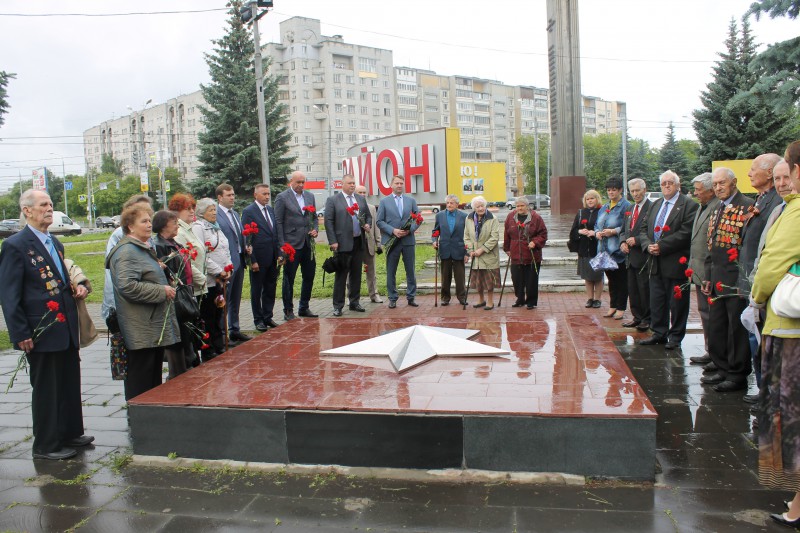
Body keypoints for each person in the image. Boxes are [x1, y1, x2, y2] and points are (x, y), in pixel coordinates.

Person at [0, 190, 92, 460]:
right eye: (43, 205)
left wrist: (78, 288)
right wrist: (19, 333)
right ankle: (46, 444)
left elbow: (59, 279)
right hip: (40, 329)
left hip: (64, 327)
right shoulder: (16, 245)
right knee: (47, 389)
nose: (50, 209)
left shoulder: (54, 242)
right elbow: (9, 294)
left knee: (68, 382)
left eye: (51, 204)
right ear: (27, 210)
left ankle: (70, 432)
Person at [752, 140, 800, 527]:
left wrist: (757, 295)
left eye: (789, 172)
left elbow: (772, 263)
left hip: (790, 331)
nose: (785, 181)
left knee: (790, 417)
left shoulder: (796, 212)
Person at [107, 203, 179, 402]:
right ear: (130, 226)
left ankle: (150, 416)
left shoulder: (141, 248)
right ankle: (139, 420)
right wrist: (161, 290)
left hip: (150, 324)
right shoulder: (127, 252)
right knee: (141, 379)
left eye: (150, 220)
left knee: (152, 377)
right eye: (144, 221)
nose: (149, 225)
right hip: (140, 326)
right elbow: (127, 286)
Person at [700, 167, 754, 392]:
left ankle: (737, 373)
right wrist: (708, 276)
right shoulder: (717, 207)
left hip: (735, 280)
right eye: (716, 184)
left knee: (736, 330)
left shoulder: (747, 206)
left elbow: (747, 248)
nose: (718, 187)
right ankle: (722, 368)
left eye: (722, 183)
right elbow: (712, 247)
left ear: (734, 182)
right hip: (718, 277)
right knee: (718, 327)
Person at [737, 154, 784, 396]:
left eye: (754, 169)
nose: (749, 174)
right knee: (754, 338)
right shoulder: (762, 198)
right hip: (751, 277)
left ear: (768, 173)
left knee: (761, 339)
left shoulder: (777, 201)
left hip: (763, 282)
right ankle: (763, 388)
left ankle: (766, 391)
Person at [639, 170, 698, 349]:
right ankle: (659, 332)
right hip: (654, 262)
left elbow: (687, 232)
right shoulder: (655, 204)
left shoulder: (688, 205)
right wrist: (647, 244)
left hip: (674, 262)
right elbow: (643, 228)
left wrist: (662, 246)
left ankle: (676, 337)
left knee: (677, 303)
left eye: (670, 183)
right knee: (657, 300)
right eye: (663, 183)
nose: (666, 186)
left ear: (678, 185)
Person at [152, 210, 196, 374]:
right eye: (174, 223)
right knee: (179, 334)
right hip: (174, 296)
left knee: (186, 331)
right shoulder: (160, 245)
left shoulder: (174, 242)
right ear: (164, 226)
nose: (177, 226)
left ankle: (188, 362)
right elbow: (164, 272)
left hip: (184, 292)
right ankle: (179, 370)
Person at [274, 170, 319, 320]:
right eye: (298, 182)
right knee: (289, 278)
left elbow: (314, 218)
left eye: (302, 182)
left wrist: (315, 229)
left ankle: (304, 307)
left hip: (307, 243)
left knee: (309, 275)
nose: (301, 185)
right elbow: (278, 222)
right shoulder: (282, 197)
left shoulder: (309, 196)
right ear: (290, 183)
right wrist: (281, 245)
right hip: (291, 245)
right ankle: (288, 310)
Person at [324, 174, 372, 316]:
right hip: (342, 243)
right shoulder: (333, 200)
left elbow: (367, 215)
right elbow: (328, 221)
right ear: (342, 184)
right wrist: (333, 241)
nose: (352, 185)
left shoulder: (360, 199)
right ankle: (338, 305)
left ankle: (354, 302)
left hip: (358, 241)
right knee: (341, 274)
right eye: (350, 183)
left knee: (356, 274)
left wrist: (367, 223)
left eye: (354, 183)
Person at [101, 194, 153, 321]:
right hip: (124, 303)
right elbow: (115, 272)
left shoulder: (148, 235)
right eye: (142, 210)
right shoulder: (121, 234)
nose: (147, 215)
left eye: (149, 211)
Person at [192, 198, 232, 358]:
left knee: (218, 313)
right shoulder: (199, 227)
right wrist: (217, 272)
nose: (214, 212)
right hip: (208, 280)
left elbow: (224, 248)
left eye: (215, 209)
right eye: (210, 210)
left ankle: (219, 344)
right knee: (208, 315)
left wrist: (228, 267)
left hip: (221, 278)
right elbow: (202, 255)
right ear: (202, 213)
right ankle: (209, 350)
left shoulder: (216, 227)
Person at [687, 172, 720, 367]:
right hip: (699, 269)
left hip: (711, 271)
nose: (695, 193)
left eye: (699, 190)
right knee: (704, 311)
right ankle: (710, 350)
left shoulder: (717, 207)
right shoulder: (703, 206)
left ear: (710, 191)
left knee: (713, 314)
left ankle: (716, 355)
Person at [377, 175, 420, 308]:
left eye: (401, 183)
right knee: (391, 270)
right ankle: (392, 298)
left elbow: (418, 219)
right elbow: (379, 221)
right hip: (392, 241)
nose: (399, 185)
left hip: (408, 240)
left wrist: (410, 230)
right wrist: (393, 230)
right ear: (391, 185)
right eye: (397, 183)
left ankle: (411, 297)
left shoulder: (411, 201)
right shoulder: (384, 202)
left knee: (410, 270)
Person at [242, 184, 281, 331]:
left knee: (270, 288)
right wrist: (252, 260)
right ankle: (258, 319)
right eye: (264, 194)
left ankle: (267, 316)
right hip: (258, 258)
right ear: (255, 195)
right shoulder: (249, 211)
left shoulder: (270, 210)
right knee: (257, 289)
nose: (267, 196)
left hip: (271, 257)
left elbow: (274, 234)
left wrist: (279, 254)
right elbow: (247, 237)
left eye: (268, 194)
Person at [216, 183, 251, 343]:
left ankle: (234, 328)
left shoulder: (235, 214)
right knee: (225, 297)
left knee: (235, 298)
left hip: (239, 259)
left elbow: (239, 235)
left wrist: (245, 247)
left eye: (233, 195)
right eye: (228, 195)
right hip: (225, 263)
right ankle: (223, 333)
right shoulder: (215, 215)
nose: (232, 198)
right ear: (220, 197)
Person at [594, 178, 632, 320]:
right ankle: (613, 306)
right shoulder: (604, 207)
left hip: (618, 250)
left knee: (621, 280)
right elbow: (597, 224)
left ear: (620, 190)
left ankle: (621, 307)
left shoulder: (626, 206)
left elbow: (627, 226)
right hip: (604, 250)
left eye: (614, 190)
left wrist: (613, 231)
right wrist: (598, 232)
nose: (611, 192)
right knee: (611, 280)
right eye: (609, 190)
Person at [619, 178, 652, 330]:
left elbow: (653, 232)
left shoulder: (652, 208)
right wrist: (623, 242)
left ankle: (647, 318)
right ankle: (637, 316)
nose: (635, 194)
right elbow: (624, 230)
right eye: (632, 191)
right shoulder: (630, 209)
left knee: (644, 289)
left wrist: (637, 240)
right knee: (633, 289)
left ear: (644, 190)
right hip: (629, 258)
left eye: (638, 190)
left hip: (644, 256)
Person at [503, 197, 547, 309]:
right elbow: (506, 234)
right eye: (517, 206)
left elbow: (543, 234)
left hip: (531, 254)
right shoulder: (510, 217)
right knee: (517, 279)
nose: (519, 208)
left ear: (527, 206)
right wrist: (507, 249)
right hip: (516, 253)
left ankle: (531, 301)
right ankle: (520, 299)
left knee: (531, 280)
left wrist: (535, 242)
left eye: (522, 206)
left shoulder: (536, 218)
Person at [464, 196, 501, 310]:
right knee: (478, 279)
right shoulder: (469, 218)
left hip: (488, 254)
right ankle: (481, 299)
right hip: (475, 254)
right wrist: (470, 250)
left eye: (482, 206)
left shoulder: (492, 218)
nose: (480, 208)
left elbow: (494, 237)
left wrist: (482, 249)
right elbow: (466, 236)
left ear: (485, 206)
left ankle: (490, 301)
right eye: (477, 206)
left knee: (489, 280)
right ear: (474, 208)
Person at [569, 190, 603, 308]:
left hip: (597, 248)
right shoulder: (580, 213)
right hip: (584, 249)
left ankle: (597, 299)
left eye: (592, 198)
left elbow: (605, 228)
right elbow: (573, 231)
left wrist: (595, 233)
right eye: (588, 199)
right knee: (587, 275)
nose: (590, 201)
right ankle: (589, 298)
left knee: (598, 275)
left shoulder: (602, 211)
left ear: (597, 199)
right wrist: (580, 231)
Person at [432, 194, 468, 306]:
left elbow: (467, 235)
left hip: (459, 249)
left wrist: (466, 252)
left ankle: (462, 297)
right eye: (447, 203)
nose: (449, 205)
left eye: (451, 203)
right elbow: (435, 231)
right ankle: (445, 298)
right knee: (445, 276)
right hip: (445, 248)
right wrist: (434, 240)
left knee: (460, 276)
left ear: (457, 204)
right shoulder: (440, 215)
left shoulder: (464, 216)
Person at [354, 184, 383, 303]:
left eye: (364, 192)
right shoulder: (351, 207)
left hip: (369, 243)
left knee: (371, 271)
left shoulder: (371, 208)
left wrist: (378, 243)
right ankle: (352, 296)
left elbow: (376, 226)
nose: (362, 195)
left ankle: (374, 294)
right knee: (353, 271)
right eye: (359, 192)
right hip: (355, 244)